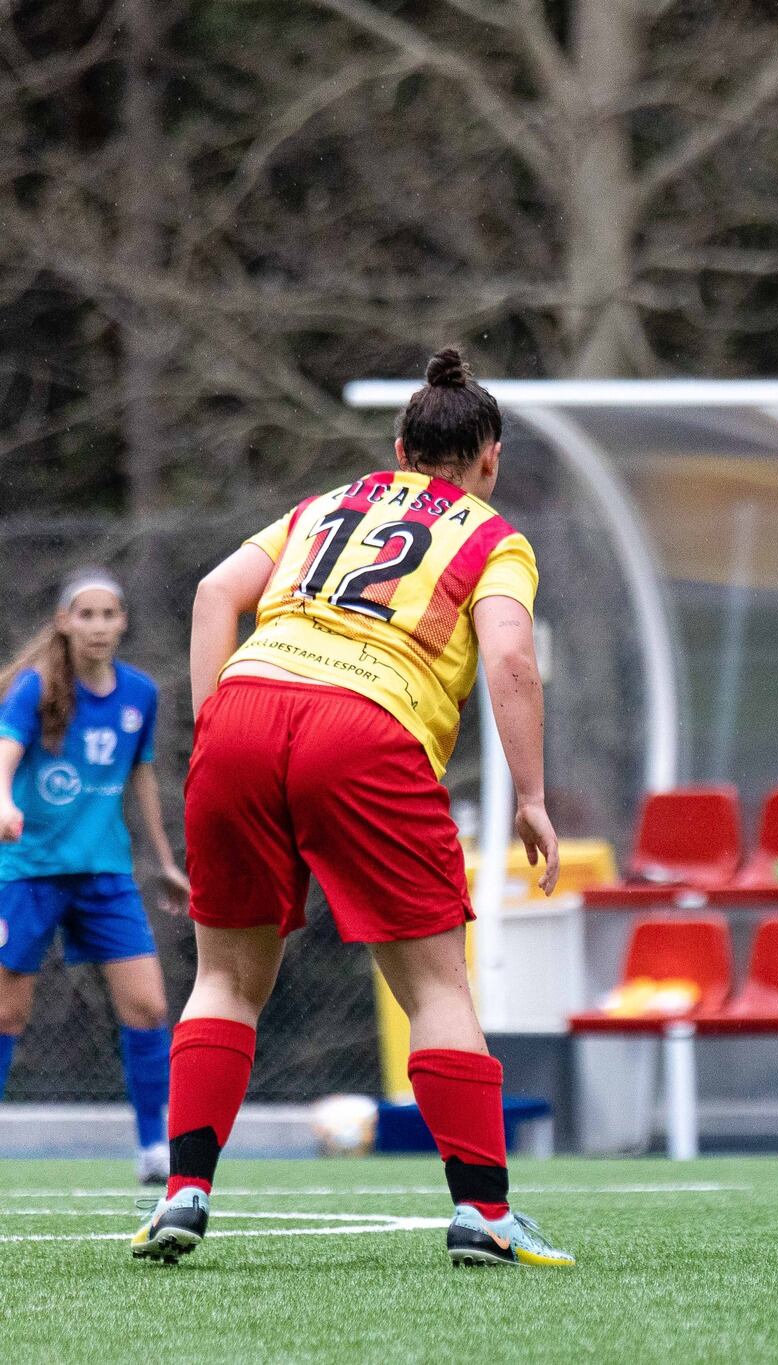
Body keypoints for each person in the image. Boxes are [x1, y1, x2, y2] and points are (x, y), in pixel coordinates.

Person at [130, 349, 573, 1269]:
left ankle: (183, 1192)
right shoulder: (493, 536)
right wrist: (531, 795)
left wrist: (217, 722)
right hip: (369, 727)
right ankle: (484, 1212)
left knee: (226, 980)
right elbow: (512, 662)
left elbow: (217, 592)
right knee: (437, 988)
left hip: (246, 709)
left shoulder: (329, 503)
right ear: (490, 458)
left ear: (397, 446)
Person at [0, 569, 186, 1185]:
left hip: (105, 876)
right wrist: (4, 800)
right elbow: (5, 755)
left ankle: (153, 1148)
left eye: (109, 614)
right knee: (8, 1016)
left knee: (149, 1006)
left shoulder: (139, 693)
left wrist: (162, 861)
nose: (99, 626)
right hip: (29, 873)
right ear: (64, 622)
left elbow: (142, 778)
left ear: (123, 622)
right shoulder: (36, 689)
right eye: (86, 615)